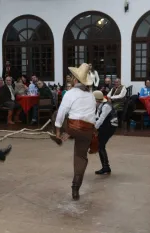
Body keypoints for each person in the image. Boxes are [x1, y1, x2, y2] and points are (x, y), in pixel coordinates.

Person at [53, 63, 96, 201]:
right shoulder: (91, 96)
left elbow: (61, 113)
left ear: (76, 80)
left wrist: (59, 131)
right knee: (80, 157)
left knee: (55, 115)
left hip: (73, 127)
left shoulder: (70, 93)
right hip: (88, 130)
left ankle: (58, 137)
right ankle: (75, 187)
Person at [93, 91, 118, 175]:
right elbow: (96, 117)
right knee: (100, 145)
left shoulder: (106, 106)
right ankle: (106, 167)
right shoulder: (100, 105)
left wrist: (94, 128)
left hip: (110, 125)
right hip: (106, 125)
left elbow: (101, 119)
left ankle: (106, 167)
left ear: (96, 100)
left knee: (100, 145)